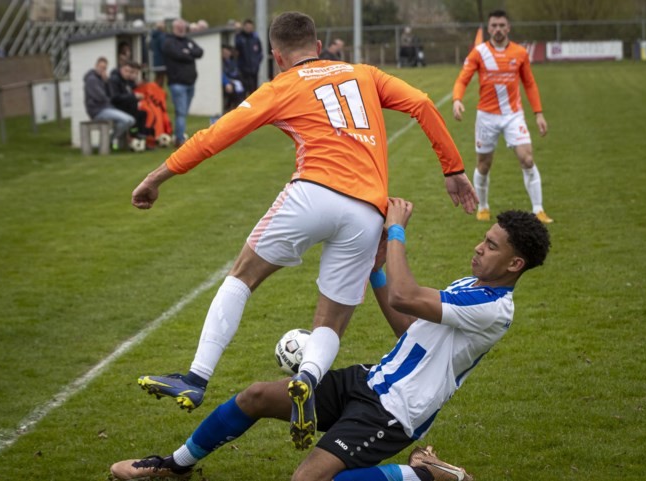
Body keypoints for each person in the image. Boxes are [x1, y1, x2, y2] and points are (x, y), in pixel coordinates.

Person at [131, 11, 477, 450]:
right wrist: (453, 168)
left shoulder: (281, 86)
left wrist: (156, 178)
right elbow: (424, 104)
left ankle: (196, 377)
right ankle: (308, 381)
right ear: (319, 44)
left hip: (312, 192)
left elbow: (213, 136)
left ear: (277, 56)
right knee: (331, 316)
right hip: (369, 212)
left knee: (243, 275)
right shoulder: (364, 74)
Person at [110, 198, 551, 481]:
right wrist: (378, 266)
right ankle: (173, 467)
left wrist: (395, 231)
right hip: (370, 380)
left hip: (395, 412)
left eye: (491, 246)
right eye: (484, 239)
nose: (479, 247)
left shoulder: (494, 308)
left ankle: (428, 476)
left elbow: (406, 295)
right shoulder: (472, 285)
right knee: (256, 396)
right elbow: (407, 323)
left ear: (514, 265)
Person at [452, 10, 553, 224]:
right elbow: (463, 79)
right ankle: (484, 206)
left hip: (513, 115)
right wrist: (457, 99)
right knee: (484, 165)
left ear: (508, 28)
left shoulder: (520, 53)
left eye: (501, 25)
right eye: (494, 25)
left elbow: (529, 83)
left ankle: (538, 209)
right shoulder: (478, 53)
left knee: (527, 158)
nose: (498, 29)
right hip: (486, 117)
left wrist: (538, 113)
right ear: (488, 28)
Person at [163, 18, 204, 147]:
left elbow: (200, 52)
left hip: (190, 83)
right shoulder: (169, 42)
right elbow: (178, 55)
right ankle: (180, 140)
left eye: (183, 27)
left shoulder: (188, 41)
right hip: (177, 83)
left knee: (183, 112)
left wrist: (188, 52)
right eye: (178, 27)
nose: (181, 29)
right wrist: (188, 54)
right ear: (174, 28)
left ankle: (178, 136)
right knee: (181, 112)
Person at [83, 56, 135, 150]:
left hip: (106, 108)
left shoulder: (101, 79)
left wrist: (107, 82)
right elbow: (101, 97)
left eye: (104, 68)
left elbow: (109, 95)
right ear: (96, 66)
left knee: (129, 120)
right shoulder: (92, 79)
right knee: (128, 120)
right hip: (97, 110)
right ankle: (109, 141)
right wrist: (108, 99)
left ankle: (109, 140)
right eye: (101, 67)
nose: (102, 70)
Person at [108, 61, 152, 141]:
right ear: (121, 69)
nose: (128, 74)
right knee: (137, 116)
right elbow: (115, 98)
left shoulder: (125, 81)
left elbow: (128, 93)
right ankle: (134, 137)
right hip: (118, 108)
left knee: (143, 113)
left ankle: (140, 137)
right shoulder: (114, 80)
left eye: (130, 71)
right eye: (126, 71)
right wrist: (134, 96)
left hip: (128, 107)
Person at [235, 18, 263, 95]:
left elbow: (260, 52)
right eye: (247, 27)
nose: (248, 29)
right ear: (244, 27)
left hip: (254, 69)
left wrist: (257, 63)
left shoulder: (255, 38)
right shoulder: (239, 38)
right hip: (243, 69)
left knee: (253, 90)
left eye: (250, 27)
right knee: (244, 89)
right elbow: (236, 52)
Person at [221, 44, 244, 112]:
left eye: (227, 52)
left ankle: (239, 105)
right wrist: (227, 83)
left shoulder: (232, 61)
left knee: (242, 84)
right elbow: (223, 74)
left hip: (234, 80)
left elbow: (235, 72)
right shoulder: (221, 62)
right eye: (224, 52)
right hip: (227, 82)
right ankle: (231, 106)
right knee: (233, 87)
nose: (226, 54)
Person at [149, 21, 167, 86]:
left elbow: (150, 47)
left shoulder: (153, 36)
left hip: (155, 60)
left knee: (157, 77)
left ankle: (155, 92)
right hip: (162, 61)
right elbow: (164, 48)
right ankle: (157, 93)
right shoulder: (162, 36)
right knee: (161, 78)